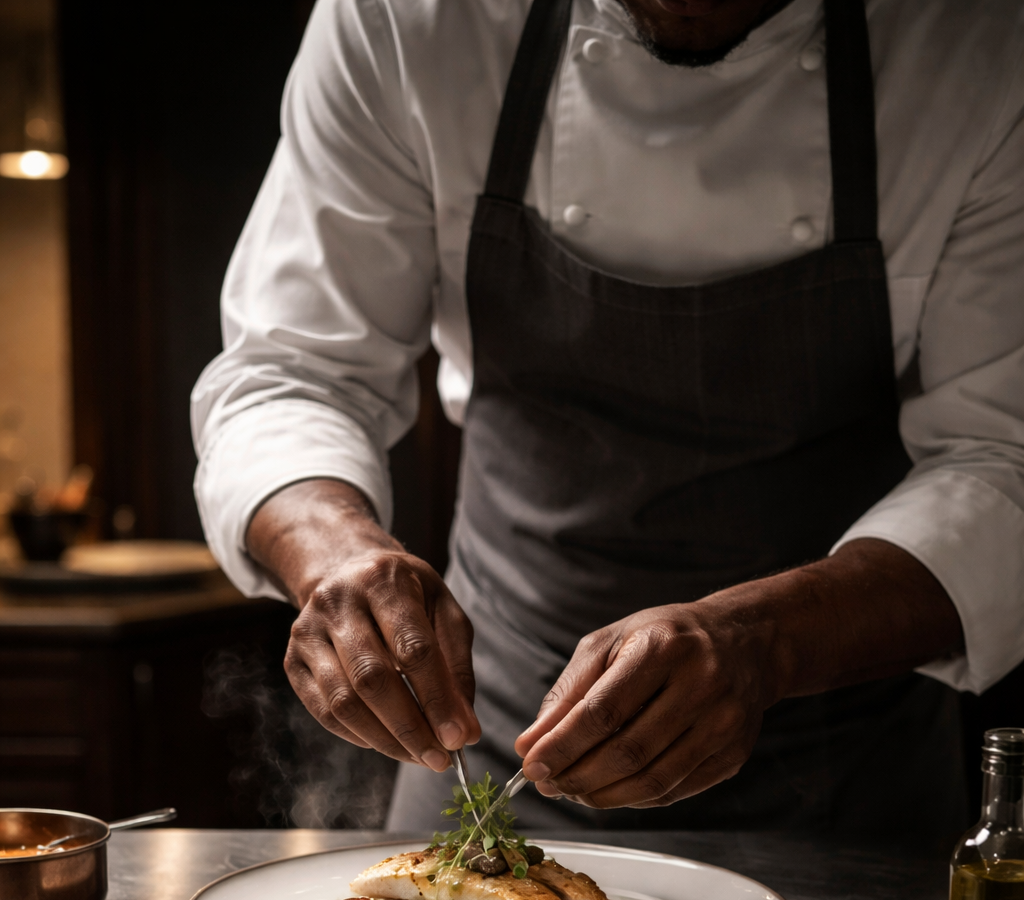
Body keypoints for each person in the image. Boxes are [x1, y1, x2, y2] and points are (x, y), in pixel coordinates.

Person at [192, 0, 1024, 852]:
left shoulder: (978, 39)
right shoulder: (409, 18)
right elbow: (292, 369)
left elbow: (1006, 457)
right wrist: (338, 555)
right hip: (498, 737)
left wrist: (765, 642)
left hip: (850, 760)